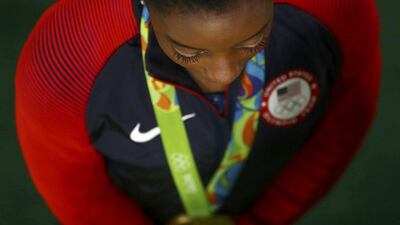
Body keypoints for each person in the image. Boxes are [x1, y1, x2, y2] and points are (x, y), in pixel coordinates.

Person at [15, 0, 381, 224]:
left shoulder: (337, 9)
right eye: (188, 52)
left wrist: (258, 221)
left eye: (254, 41)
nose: (224, 74)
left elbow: (343, 124)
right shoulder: (66, 56)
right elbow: (76, 193)